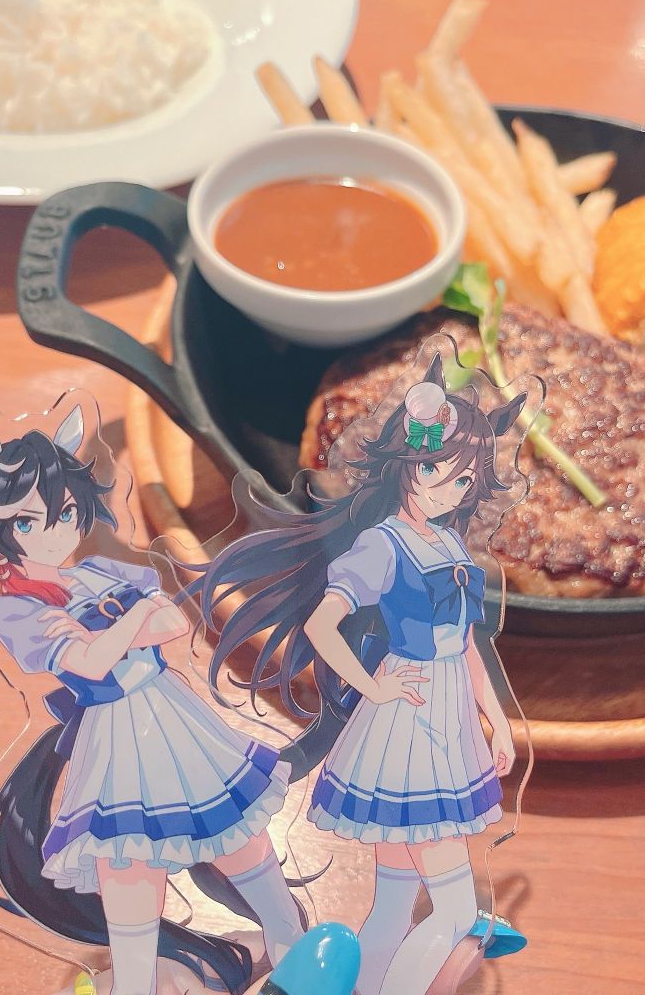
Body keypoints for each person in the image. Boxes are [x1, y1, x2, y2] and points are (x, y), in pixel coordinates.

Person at [0, 406, 304, 995]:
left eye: (66, 512)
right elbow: (92, 663)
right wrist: (128, 626)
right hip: (115, 734)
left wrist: (117, 630)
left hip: (171, 715)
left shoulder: (100, 571)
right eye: (31, 521)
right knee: (128, 862)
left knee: (235, 829)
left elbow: (171, 623)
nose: (57, 529)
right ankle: (135, 982)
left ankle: (291, 942)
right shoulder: (15, 609)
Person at [194, 354, 527, 995]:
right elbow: (324, 624)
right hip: (410, 727)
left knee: (395, 906)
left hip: (449, 721)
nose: (447, 487)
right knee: (457, 912)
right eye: (434, 469)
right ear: (406, 464)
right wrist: (374, 687)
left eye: (463, 478)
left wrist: (498, 721)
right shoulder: (382, 544)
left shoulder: (453, 546)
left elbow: (466, 647)